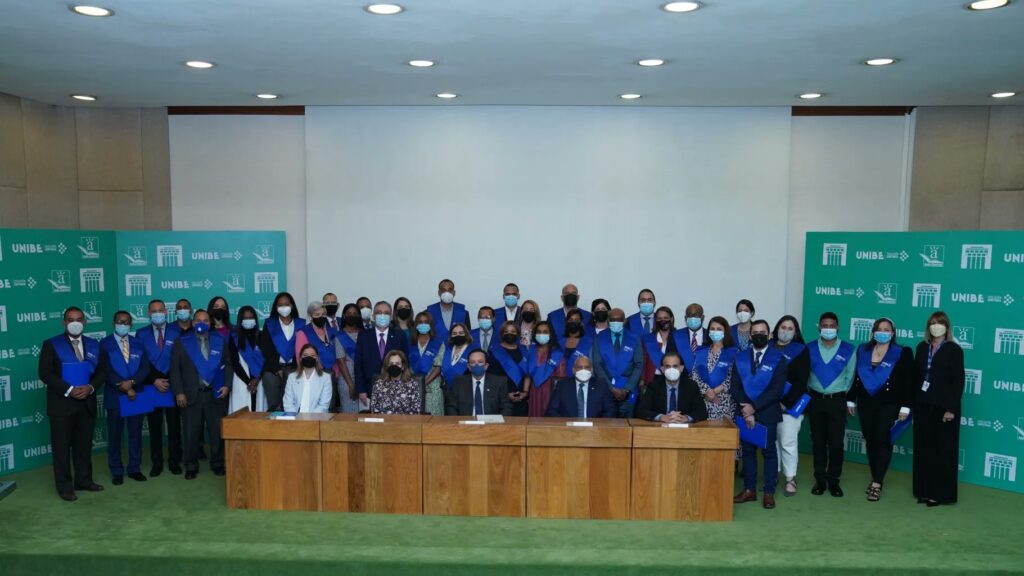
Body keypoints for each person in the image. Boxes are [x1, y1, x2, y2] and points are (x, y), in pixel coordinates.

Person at [38, 307, 105, 501]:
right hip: (61, 404)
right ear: (64, 322)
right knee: (61, 448)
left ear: (85, 322)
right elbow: (45, 373)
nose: (75, 322)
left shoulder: (94, 345)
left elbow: (102, 371)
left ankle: (84, 480)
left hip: (86, 402)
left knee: (84, 446)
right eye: (70, 319)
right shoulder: (51, 344)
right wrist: (69, 389)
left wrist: (91, 387)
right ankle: (65, 487)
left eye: (79, 319)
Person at [849, 317, 913, 502]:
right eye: (879, 329)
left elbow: (908, 381)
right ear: (873, 332)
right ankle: (875, 476)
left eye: (887, 329)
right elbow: (855, 376)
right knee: (870, 440)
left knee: (882, 439)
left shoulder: (902, 352)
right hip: (866, 402)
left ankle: (877, 483)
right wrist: (850, 400)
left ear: (893, 333)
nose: (883, 332)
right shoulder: (863, 350)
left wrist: (906, 406)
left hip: (889, 403)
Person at [733, 320, 788, 509]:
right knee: (748, 452)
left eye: (762, 332)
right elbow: (735, 386)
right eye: (755, 332)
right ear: (750, 336)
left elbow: (776, 390)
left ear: (769, 335)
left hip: (767, 412)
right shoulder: (740, 358)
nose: (759, 335)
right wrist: (747, 411)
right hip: (744, 412)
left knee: (769, 453)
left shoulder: (778, 359)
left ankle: (769, 492)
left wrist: (754, 407)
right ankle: (749, 490)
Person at [912, 311, 964, 507]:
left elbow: (958, 381)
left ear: (947, 326)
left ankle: (941, 494)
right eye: (933, 323)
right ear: (928, 327)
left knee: (942, 451)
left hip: (944, 409)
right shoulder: (921, 347)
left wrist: (951, 409)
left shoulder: (954, 349)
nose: (936, 326)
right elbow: (917, 376)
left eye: (940, 323)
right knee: (923, 449)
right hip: (923, 406)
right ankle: (923, 491)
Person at [170, 309, 228, 479]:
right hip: (191, 395)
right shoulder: (181, 342)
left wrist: (227, 385)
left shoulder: (219, 341)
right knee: (191, 433)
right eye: (198, 320)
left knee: (216, 432)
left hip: (215, 394)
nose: (202, 323)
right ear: (193, 323)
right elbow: (175, 370)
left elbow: (228, 364)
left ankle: (217, 463)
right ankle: (191, 465)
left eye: (205, 320)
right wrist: (179, 393)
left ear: (210, 323)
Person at [806, 311, 857, 497]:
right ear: (819, 327)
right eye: (825, 326)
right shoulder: (809, 348)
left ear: (838, 327)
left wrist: (841, 394)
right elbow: (805, 375)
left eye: (832, 326)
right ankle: (820, 480)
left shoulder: (848, 349)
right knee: (818, 442)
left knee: (836, 443)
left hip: (837, 401)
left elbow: (850, 377)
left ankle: (834, 481)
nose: (828, 329)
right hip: (816, 400)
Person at [100, 311, 150, 485]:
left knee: (135, 434)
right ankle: (116, 470)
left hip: (136, 394)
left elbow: (145, 368)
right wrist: (121, 385)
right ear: (113, 323)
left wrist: (132, 383)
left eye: (126, 322)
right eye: (120, 321)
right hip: (115, 395)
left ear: (131, 325)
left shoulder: (138, 343)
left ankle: (134, 468)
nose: (123, 324)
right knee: (115, 435)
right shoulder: (104, 344)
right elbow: (105, 370)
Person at [137, 299, 182, 476]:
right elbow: (139, 362)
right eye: (154, 311)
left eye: (160, 310)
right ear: (148, 313)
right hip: (151, 385)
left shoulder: (177, 331)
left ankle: (174, 461)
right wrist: (154, 379)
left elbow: (181, 360)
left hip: (172, 384)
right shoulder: (141, 334)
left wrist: (171, 380)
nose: (157, 313)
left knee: (174, 426)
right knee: (154, 427)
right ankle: (157, 462)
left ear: (166, 312)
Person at [771, 315, 810, 497]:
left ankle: (790, 479)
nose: (785, 331)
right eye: (783, 327)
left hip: (789, 406)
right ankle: (774, 474)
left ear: (795, 332)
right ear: (777, 328)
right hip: (768, 404)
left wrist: (785, 403)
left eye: (790, 328)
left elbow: (801, 382)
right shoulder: (768, 346)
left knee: (787, 442)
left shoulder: (801, 350)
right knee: (772, 442)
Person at [296, 300, 352, 411]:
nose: (321, 317)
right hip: (314, 377)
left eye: (323, 314)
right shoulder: (303, 332)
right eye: (317, 315)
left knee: (332, 407)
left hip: (334, 376)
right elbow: (300, 358)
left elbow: (339, 354)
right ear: (310, 316)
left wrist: (336, 373)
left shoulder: (333, 331)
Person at [354, 301, 409, 409]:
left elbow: (405, 362)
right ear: (373, 316)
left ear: (391, 316)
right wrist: (361, 390)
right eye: (379, 312)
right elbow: (358, 364)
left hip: (395, 390)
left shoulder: (400, 335)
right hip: (368, 390)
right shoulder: (363, 336)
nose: (382, 315)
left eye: (386, 313)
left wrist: (403, 388)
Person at [258, 292, 306, 411]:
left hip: (294, 369)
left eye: (286, 304)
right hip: (273, 370)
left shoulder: (301, 323)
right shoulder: (269, 324)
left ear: (292, 306)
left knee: (293, 404)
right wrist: (277, 369)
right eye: (280, 305)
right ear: (276, 307)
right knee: (274, 406)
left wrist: (296, 369)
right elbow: (266, 348)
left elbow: (303, 348)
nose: (284, 307)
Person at [592, 308, 642, 417]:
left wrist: (626, 389)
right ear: (608, 321)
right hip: (606, 389)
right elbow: (597, 365)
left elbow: (638, 365)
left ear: (624, 321)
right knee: (607, 424)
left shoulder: (634, 337)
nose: (615, 322)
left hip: (628, 391)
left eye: (619, 319)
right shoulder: (599, 337)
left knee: (628, 424)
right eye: (612, 320)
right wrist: (611, 388)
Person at [635, 352, 707, 423]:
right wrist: (661, 417)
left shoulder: (691, 386)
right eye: (668, 366)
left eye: (675, 366)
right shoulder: (654, 386)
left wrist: (686, 418)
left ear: (681, 368)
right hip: (660, 427)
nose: (671, 370)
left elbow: (702, 412)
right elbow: (641, 410)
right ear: (662, 369)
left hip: (685, 427)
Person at [691, 317, 739, 422]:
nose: (715, 331)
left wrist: (714, 392)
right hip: (704, 400)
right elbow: (695, 375)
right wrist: (707, 392)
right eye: (712, 329)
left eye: (719, 329)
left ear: (725, 331)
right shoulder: (701, 351)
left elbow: (733, 377)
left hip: (723, 401)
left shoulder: (733, 352)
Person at [445, 349, 512, 416]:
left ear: (486, 366)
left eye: (480, 362)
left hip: (491, 421)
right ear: (469, 367)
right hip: (466, 421)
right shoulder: (459, 382)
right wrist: (456, 421)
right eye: (473, 362)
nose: (476, 365)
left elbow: (506, 406)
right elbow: (451, 407)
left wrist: (500, 422)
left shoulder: (499, 382)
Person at [545, 356, 616, 418]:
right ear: (574, 370)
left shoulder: (601, 385)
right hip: (568, 426)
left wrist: (598, 425)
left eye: (587, 367)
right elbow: (551, 411)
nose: (583, 370)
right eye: (580, 367)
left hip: (594, 427)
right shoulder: (562, 385)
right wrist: (565, 424)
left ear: (591, 370)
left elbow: (610, 410)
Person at [226, 306, 266, 414]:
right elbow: (235, 362)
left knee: (259, 412)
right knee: (241, 415)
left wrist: (257, 379)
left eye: (251, 317)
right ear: (240, 320)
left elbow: (266, 360)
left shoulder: (261, 336)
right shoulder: (234, 337)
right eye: (245, 318)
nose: (248, 320)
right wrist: (249, 382)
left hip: (259, 380)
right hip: (242, 380)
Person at [488, 321, 530, 416]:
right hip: (501, 398)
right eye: (506, 331)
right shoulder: (494, 352)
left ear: (518, 334)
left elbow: (527, 374)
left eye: (513, 332)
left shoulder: (524, 350)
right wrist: (506, 395)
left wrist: (525, 392)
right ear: (502, 334)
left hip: (521, 398)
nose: (509, 334)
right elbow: (492, 378)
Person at [409, 311, 445, 415]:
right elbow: (407, 365)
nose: (423, 324)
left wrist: (424, 383)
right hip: (413, 386)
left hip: (433, 388)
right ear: (416, 325)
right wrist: (416, 383)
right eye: (420, 322)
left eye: (426, 322)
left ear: (431, 325)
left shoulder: (438, 343)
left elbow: (438, 367)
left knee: (434, 420)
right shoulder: (410, 343)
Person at [524, 321, 563, 417]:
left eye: (545, 332)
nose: (541, 334)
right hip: (534, 390)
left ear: (551, 334)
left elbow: (561, 378)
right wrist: (525, 392)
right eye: (539, 332)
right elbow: (527, 373)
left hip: (551, 390)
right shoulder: (531, 350)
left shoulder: (557, 353)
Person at [640, 306, 686, 385]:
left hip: (674, 379)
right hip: (652, 380)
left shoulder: (679, 337)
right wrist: (642, 380)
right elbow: (643, 362)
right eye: (660, 318)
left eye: (666, 318)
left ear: (671, 319)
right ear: (656, 320)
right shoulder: (647, 339)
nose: (663, 320)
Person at [283, 344, 333, 413]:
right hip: (295, 417)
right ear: (300, 358)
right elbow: (288, 403)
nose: (309, 357)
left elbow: (323, 406)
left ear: (317, 358)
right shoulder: (292, 377)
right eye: (305, 355)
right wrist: (296, 417)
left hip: (317, 417)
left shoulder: (326, 378)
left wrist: (309, 418)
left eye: (312, 355)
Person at [369, 350, 422, 414]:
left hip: (405, 420)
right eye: (391, 364)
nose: (394, 366)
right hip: (383, 420)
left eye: (397, 364)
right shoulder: (378, 385)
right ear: (387, 366)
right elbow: (374, 410)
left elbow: (416, 411)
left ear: (403, 366)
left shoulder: (412, 385)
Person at [335, 303, 362, 413]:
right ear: (344, 316)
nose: (352, 316)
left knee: (364, 414)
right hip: (347, 379)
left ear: (359, 316)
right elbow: (341, 362)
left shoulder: (364, 334)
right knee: (349, 413)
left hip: (362, 377)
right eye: (349, 313)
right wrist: (351, 385)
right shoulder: (339, 336)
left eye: (355, 314)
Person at [438, 322, 473, 388]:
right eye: (454, 333)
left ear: (466, 334)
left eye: (461, 333)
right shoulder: (446, 349)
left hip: (465, 388)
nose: (458, 335)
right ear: (451, 336)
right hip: (446, 388)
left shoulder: (472, 350)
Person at [679, 303, 708, 373]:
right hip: (682, 377)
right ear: (685, 318)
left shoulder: (710, 336)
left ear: (702, 317)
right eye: (689, 315)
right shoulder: (676, 336)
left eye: (696, 315)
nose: (693, 318)